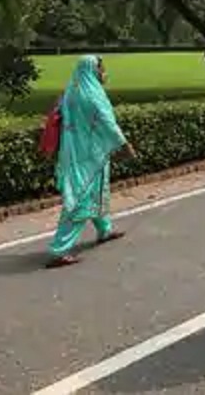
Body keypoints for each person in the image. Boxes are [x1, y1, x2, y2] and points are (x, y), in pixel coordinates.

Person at [46, 55, 137, 269]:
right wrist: (124, 145)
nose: (103, 71)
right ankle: (60, 249)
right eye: (100, 68)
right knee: (79, 199)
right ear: (91, 70)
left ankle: (104, 230)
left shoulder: (72, 90)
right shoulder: (92, 95)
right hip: (88, 155)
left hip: (75, 152)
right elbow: (107, 122)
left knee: (96, 191)